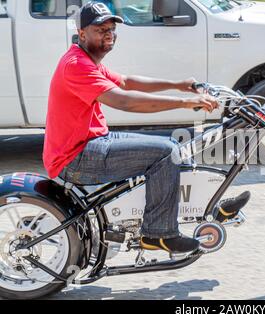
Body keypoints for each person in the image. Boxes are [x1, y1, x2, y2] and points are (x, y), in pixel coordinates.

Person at [43, 1, 219, 254]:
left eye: (112, 28)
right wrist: (186, 102)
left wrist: (179, 84)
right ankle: (159, 233)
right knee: (166, 152)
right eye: (99, 28)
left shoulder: (86, 59)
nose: (108, 33)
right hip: (77, 156)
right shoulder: (77, 66)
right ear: (82, 33)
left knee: (168, 146)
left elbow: (126, 82)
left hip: (90, 142)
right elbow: (124, 101)